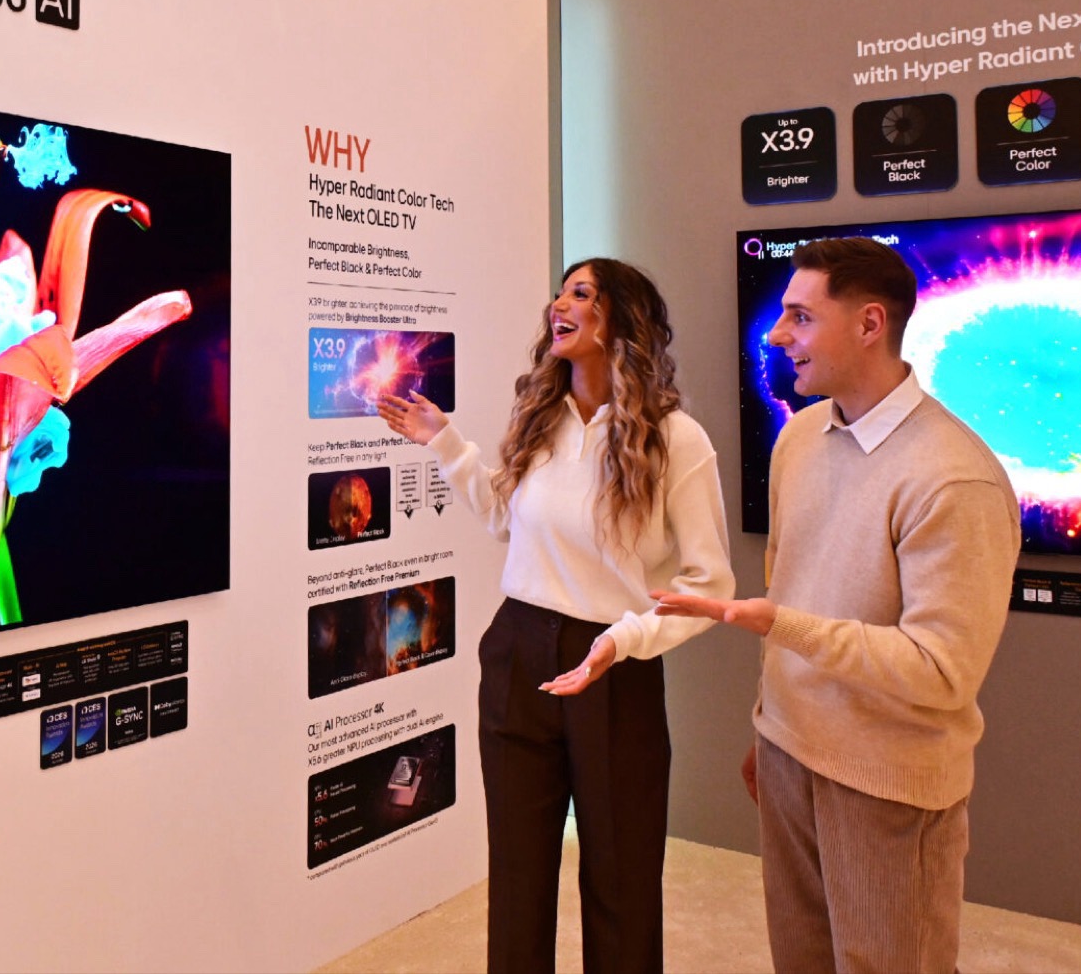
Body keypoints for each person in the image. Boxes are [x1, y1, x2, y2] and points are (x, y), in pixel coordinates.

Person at [653, 237, 1021, 974]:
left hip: (887, 784)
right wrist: (771, 722)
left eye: (800, 316)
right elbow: (793, 583)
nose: (777, 335)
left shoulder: (954, 478)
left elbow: (942, 670)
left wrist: (781, 625)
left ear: (869, 323)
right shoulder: (799, 438)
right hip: (788, 755)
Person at [379, 258, 732, 974]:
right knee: (517, 873)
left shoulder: (676, 439)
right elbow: (505, 519)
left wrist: (628, 638)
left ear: (621, 319)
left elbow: (710, 584)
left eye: (581, 293)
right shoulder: (540, 420)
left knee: (622, 876)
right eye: (560, 292)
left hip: (615, 664)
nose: (558, 304)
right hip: (518, 652)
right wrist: (446, 442)